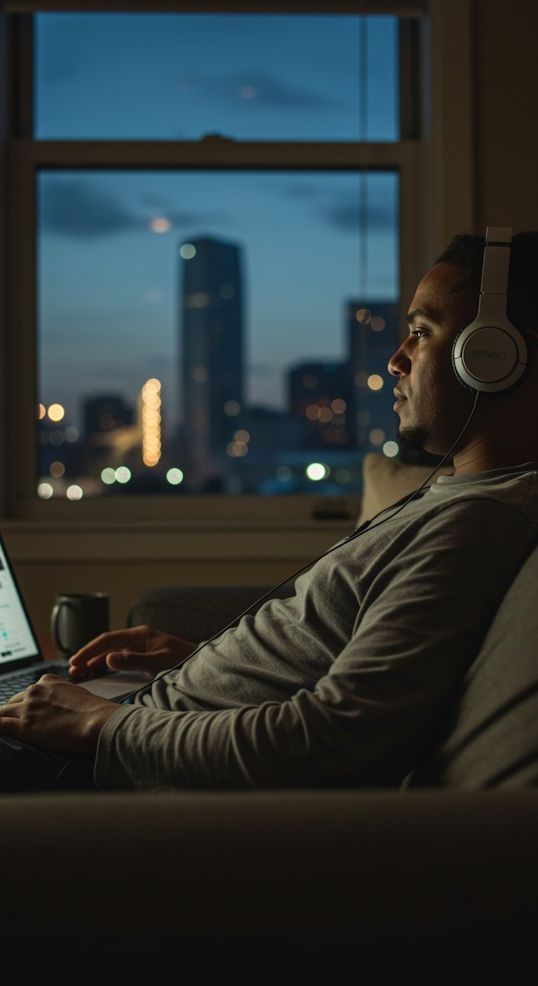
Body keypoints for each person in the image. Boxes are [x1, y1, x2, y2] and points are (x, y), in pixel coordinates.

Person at [0, 231, 537, 792]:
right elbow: (334, 660)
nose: (396, 359)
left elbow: (333, 741)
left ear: (495, 357)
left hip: (93, 767)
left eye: (422, 332)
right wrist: (205, 666)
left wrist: (99, 724)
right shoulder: (458, 499)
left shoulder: (479, 522)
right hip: (139, 725)